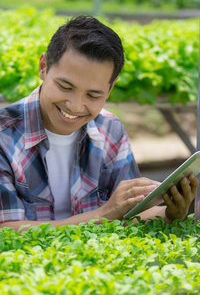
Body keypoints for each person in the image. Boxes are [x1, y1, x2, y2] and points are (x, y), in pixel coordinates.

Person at [0, 15, 198, 231]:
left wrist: (169, 214)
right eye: (65, 87)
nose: (75, 106)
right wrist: (103, 214)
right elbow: (6, 231)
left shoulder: (110, 130)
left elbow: (131, 216)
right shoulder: (4, 135)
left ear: (110, 89)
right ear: (43, 67)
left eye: (93, 96)